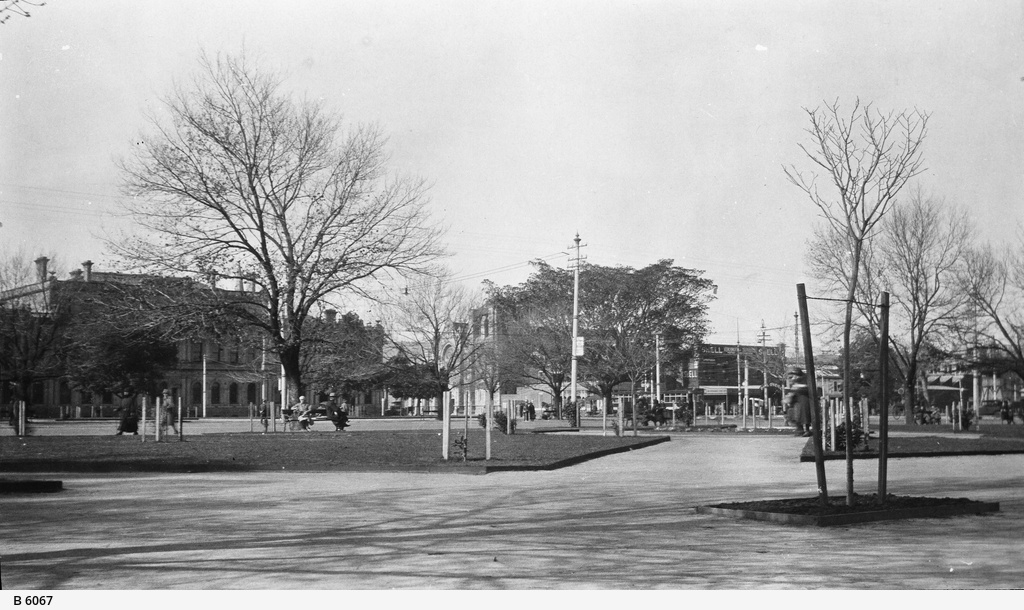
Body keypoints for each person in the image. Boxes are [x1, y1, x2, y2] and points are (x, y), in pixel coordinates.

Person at [785, 367, 812, 437]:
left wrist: (796, 389)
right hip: (796, 401)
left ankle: (806, 429)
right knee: (794, 412)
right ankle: (799, 429)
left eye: (792, 377)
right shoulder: (795, 382)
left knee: (804, 411)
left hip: (805, 400)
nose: (791, 379)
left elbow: (807, 389)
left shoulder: (805, 379)